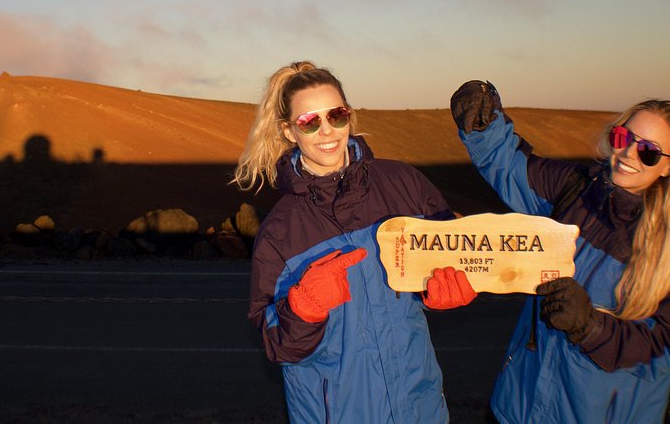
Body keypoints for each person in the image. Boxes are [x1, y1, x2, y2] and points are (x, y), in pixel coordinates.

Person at [232, 61, 475, 423]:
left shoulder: (404, 184)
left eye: (336, 115)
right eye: (309, 122)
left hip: (418, 403)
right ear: (288, 131)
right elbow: (278, 345)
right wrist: (304, 310)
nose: (327, 131)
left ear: (349, 115)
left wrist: (442, 289)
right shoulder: (280, 231)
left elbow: (452, 257)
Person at [450, 81, 670, 423]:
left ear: (666, 166)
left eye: (648, 151)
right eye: (623, 138)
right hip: (516, 408)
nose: (628, 153)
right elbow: (513, 168)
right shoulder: (577, 190)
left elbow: (661, 349)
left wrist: (591, 328)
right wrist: (483, 125)